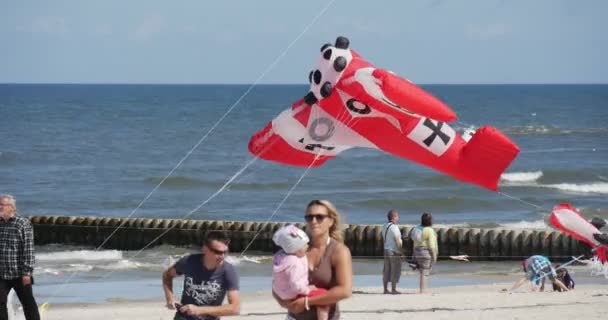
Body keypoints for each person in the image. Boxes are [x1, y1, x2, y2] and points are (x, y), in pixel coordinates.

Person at [273, 199, 352, 320]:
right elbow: (278, 283)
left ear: (331, 221)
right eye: (309, 217)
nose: (314, 221)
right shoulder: (296, 248)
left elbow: (344, 291)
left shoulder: (339, 251)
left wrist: (307, 302)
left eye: (319, 217)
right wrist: (286, 304)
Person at [162, 231, 240, 320]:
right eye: (217, 252)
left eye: (225, 252)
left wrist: (200, 310)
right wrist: (170, 298)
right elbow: (167, 275)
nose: (222, 256)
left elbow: (235, 308)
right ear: (205, 249)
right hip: (184, 317)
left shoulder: (228, 271)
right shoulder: (189, 261)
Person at [272, 225, 328, 320]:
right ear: (295, 249)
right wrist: (307, 290)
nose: (307, 246)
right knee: (324, 296)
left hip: (280, 290)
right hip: (291, 292)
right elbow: (296, 284)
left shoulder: (282, 256)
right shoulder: (295, 263)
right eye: (304, 245)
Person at [0, 194, 40, 320]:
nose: (0, 207)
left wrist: (27, 273)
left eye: (2, 205)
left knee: (28, 304)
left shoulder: (22, 224)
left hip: (20, 274)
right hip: (1, 273)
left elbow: (28, 249)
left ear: (12, 207)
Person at [411, 212, 437, 294]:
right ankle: (422, 290)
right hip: (425, 252)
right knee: (425, 271)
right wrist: (434, 256)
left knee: (422, 271)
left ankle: (422, 289)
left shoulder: (416, 228)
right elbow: (432, 245)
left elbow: (413, 239)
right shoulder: (430, 230)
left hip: (416, 250)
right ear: (430, 221)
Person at [381, 209, 402, 294]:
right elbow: (397, 240)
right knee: (395, 270)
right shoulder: (394, 227)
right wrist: (401, 252)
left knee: (386, 270)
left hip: (386, 249)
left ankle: (385, 289)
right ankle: (393, 289)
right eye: (397, 216)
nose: (398, 218)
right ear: (393, 217)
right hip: (393, 251)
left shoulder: (385, 226)